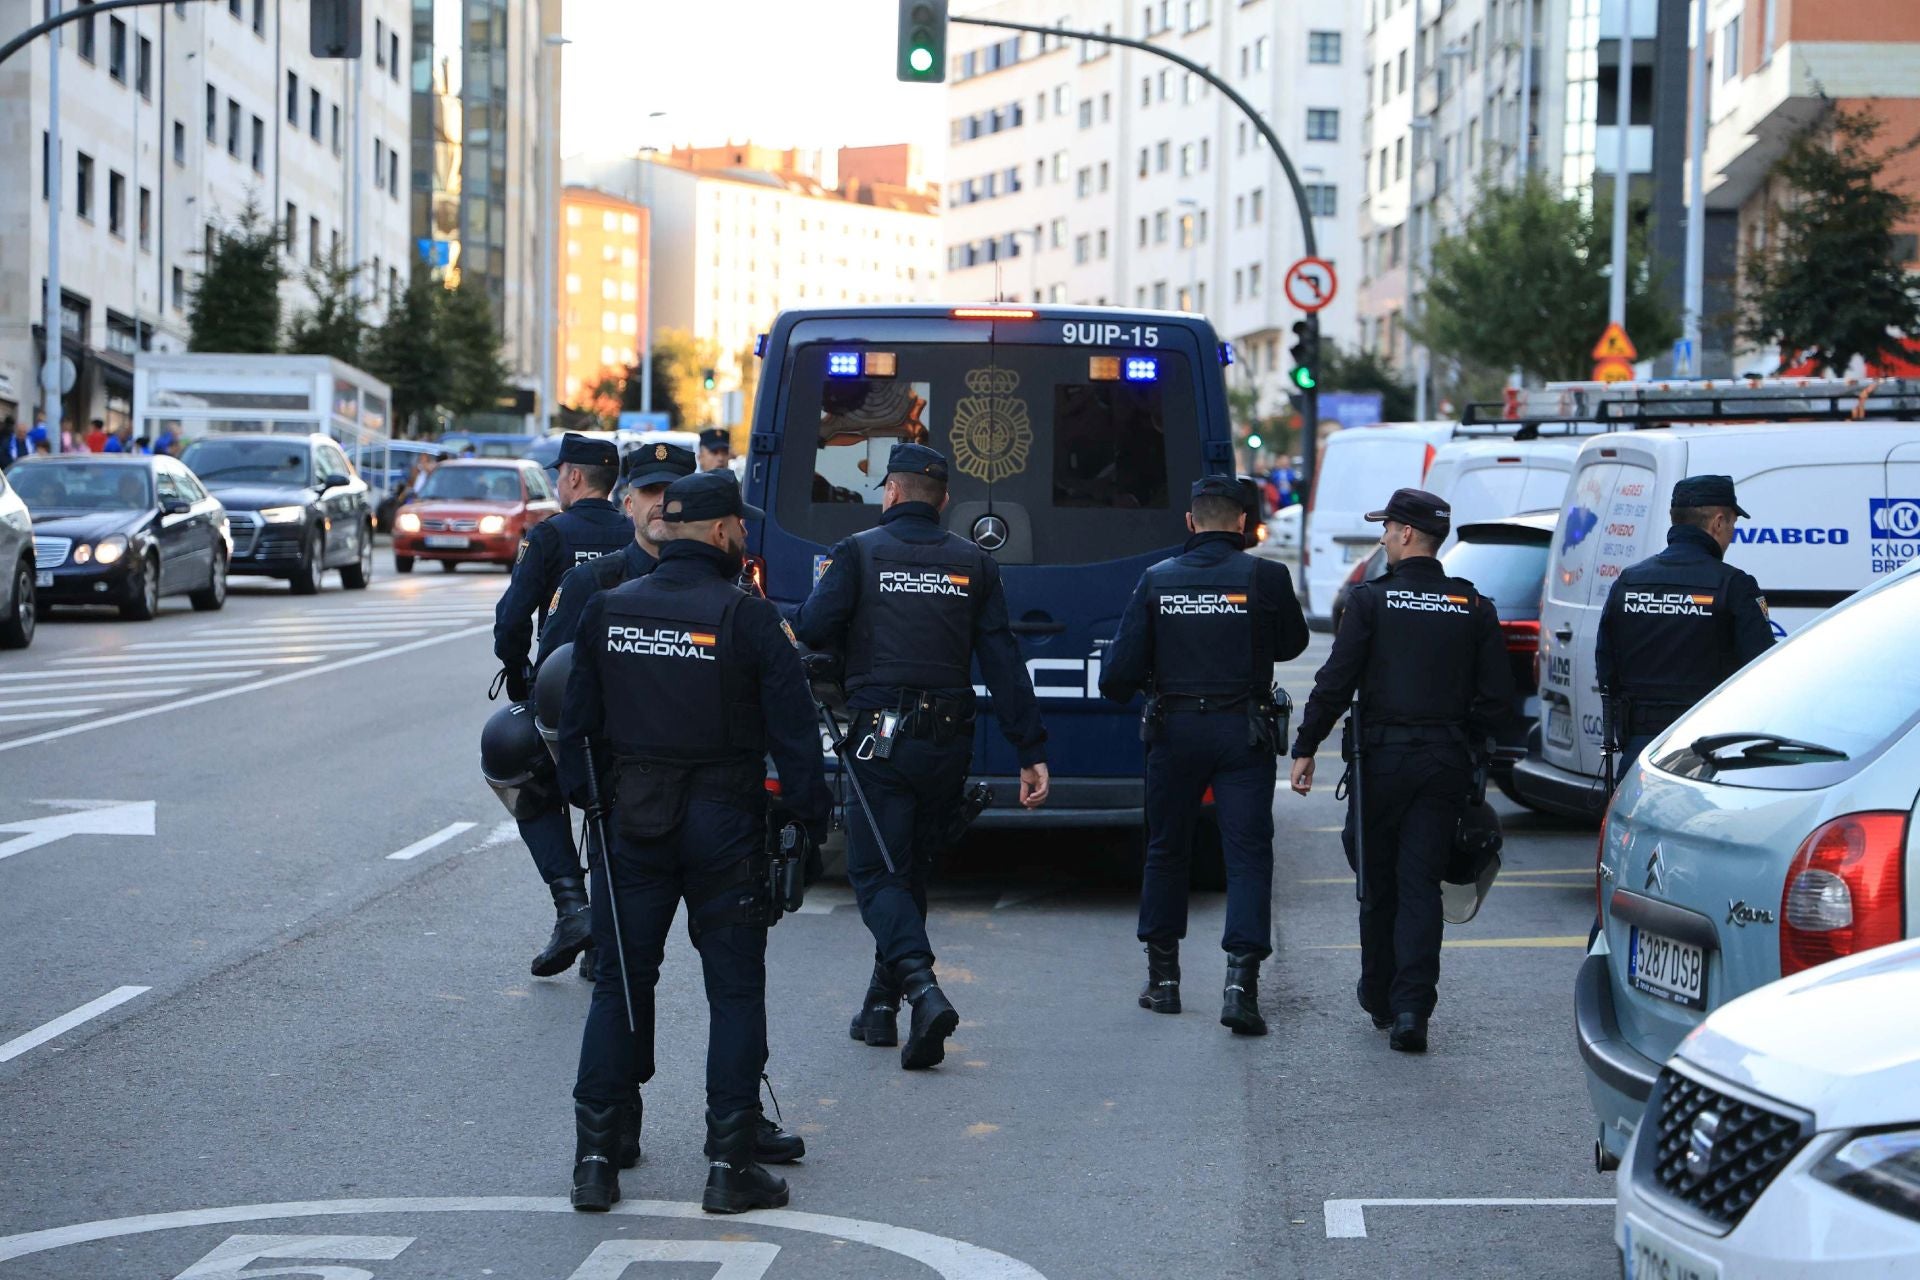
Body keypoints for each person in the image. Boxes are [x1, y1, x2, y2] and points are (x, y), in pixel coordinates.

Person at [557, 468, 831, 1214]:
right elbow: (796, 740)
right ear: (718, 533)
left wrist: (598, 804)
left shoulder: (609, 608)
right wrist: (809, 823)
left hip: (632, 819)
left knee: (620, 984)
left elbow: (574, 728)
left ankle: (595, 1160)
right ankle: (729, 1165)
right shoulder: (749, 618)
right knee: (734, 992)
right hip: (726, 825)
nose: (743, 535)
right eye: (739, 525)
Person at [791, 442, 1051, 1070]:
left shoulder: (858, 552)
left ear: (890, 492)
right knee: (906, 873)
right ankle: (881, 1009)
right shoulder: (975, 563)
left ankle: (922, 989)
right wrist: (1030, 749)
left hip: (880, 741)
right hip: (947, 744)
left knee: (875, 873)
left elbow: (811, 628)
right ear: (944, 501)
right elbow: (1003, 661)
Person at [1287, 488, 1513, 1055]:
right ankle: (1413, 1009)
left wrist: (1306, 745)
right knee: (1420, 884)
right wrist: (1469, 750)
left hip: (1381, 761)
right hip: (1443, 762)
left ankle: (1380, 995)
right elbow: (1497, 699)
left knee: (1376, 877)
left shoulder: (1371, 601)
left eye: (1387, 528)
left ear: (1407, 533)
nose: (1384, 537)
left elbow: (1335, 680)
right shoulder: (1473, 605)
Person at [1099, 475, 1310, 1036]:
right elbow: (1293, 643)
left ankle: (1164, 981)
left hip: (1174, 733)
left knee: (1167, 850)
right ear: (1242, 522)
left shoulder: (1157, 579)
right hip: (1243, 732)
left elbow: (1116, 677)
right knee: (1248, 855)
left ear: (1191, 521)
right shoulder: (1266, 576)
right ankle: (1241, 986)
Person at [493, 432, 633, 978]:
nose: (557, 483)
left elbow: (512, 620)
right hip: (633, 697)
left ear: (573, 477)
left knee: (519, 772)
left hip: (563, 698)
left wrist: (519, 676)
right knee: (611, 806)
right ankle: (604, 942)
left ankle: (572, 905)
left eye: (559, 474)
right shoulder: (636, 536)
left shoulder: (550, 535)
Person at [1595, 475, 1774, 781]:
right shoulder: (1735, 586)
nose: (1731, 535)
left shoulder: (1629, 582)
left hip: (1640, 750)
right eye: (1732, 525)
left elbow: (1606, 668)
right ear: (1718, 522)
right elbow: (1762, 672)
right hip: (1709, 750)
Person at [537, 443, 694, 665]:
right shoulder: (586, 582)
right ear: (629, 505)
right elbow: (552, 675)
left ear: (693, 505)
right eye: (650, 490)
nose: (661, 502)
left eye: (672, 491)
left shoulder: (724, 586)